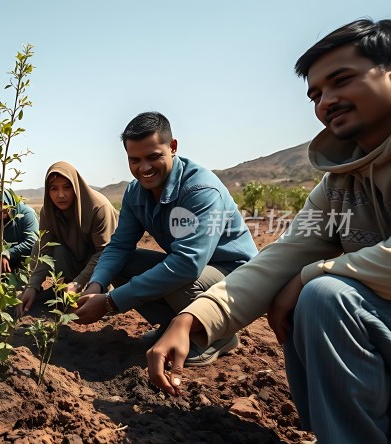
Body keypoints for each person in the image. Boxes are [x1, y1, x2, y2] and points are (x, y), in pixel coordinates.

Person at [146, 19, 391, 443]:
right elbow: (280, 257)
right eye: (315, 94)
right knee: (298, 295)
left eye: (342, 80)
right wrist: (191, 319)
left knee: (324, 295)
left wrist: (312, 274)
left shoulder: (200, 186)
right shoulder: (339, 182)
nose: (326, 100)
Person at [72, 112, 258, 366]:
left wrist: (111, 303)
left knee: (181, 280)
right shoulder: (136, 191)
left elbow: (187, 265)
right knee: (121, 263)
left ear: (172, 148)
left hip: (236, 279)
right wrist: (96, 285)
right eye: (134, 160)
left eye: (153, 157)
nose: (144, 168)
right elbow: (119, 245)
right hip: (198, 270)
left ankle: (215, 336)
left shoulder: (200, 190)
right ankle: (174, 326)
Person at [17, 161, 118, 316]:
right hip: (74, 261)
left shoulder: (98, 208)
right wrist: (32, 286)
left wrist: (79, 283)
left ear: (76, 186)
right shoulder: (48, 212)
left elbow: (105, 252)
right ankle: (67, 287)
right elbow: (44, 249)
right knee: (54, 248)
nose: (61, 195)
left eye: (67, 187)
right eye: (53, 189)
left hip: (101, 269)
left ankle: (101, 291)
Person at [0, 188, 39, 274]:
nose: (0, 209)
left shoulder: (26, 214)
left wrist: (8, 253)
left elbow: (32, 242)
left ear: (10, 203)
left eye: (4, 204)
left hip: (25, 254)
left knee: (26, 270)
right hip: (3, 256)